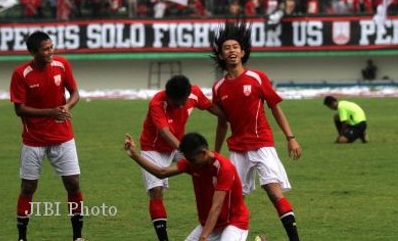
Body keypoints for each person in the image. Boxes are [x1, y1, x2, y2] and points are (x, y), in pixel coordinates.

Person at [211, 22, 302, 241]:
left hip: (262, 144)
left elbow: (275, 108)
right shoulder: (218, 88)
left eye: (235, 47)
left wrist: (291, 138)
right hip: (237, 150)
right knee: (234, 201)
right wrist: (215, 154)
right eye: (227, 48)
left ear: (242, 52)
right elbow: (222, 123)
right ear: (221, 55)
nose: (232, 50)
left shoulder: (258, 77)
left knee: (273, 191)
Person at [10, 31, 85, 241]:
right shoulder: (21, 74)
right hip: (34, 140)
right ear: (33, 52)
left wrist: (67, 106)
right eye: (45, 49)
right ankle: (22, 237)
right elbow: (19, 109)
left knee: (73, 184)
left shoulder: (62, 64)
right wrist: (50, 112)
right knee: (28, 187)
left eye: (51, 47)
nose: (51, 52)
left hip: (63, 137)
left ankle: (78, 237)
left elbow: (76, 93)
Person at [138, 74, 225, 241]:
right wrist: (186, 151)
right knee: (156, 191)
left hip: (179, 145)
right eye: (175, 103)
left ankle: (221, 218)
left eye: (182, 102)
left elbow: (212, 108)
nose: (180, 106)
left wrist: (227, 117)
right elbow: (164, 132)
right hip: (153, 148)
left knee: (211, 167)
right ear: (168, 96)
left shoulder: (194, 93)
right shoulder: (157, 103)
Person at [125, 132, 249, 241]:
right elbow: (161, 173)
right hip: (210, 224)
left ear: (204, 153)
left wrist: (203, 237)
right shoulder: (191, 163)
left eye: (193, 160)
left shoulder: (224, 168)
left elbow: (216, 207)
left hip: (234, 223)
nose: (190, 164)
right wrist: (135, 156)